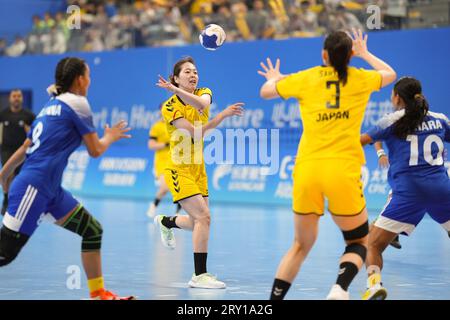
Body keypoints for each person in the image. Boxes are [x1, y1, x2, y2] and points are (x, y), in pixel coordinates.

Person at [258, 29, 396, 300]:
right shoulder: (361, 78)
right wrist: (365, 53)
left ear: (324, 55)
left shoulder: (307, 78)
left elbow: (265, 92)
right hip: (342, 171)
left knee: (300, 245)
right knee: (358, 241)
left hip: (308, 170)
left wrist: (276, 78)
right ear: (350, 55)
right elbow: (390, 73)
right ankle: (339, 288)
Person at [0, 57, 134, 300]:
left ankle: (98, 294)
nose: (90, 81)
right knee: (4, 254)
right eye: (89, 76)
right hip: (34, 187)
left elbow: (25, 146)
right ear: (80, 80)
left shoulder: (50, 105)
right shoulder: (78, 103)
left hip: (51, 191)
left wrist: (4, 173)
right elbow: (95, 150)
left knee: (92, 230)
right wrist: (111, 136)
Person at [154, 56, 244, 289]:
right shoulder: (170, 107)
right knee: (204, 218)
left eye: (195, 71)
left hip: (198, 169)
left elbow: (201, 105)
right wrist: (221, 116)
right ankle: (199, 275)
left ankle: (167, 222)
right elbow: (195, 133)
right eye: (187, 72)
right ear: (175, 78)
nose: (193, 75)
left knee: (198, 223)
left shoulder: (204, 91)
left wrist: (175, 88)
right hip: (178, 168)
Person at [360, 76, 450, 300]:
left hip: (408, 194)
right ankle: (396, 233)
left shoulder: (391, 120)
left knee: (372, 244)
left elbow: (360, 140)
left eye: (392, 94)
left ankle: (374, 286)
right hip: (441, 190)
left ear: (397, 97)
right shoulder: (440, 119)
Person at [0, 90, 36, 216]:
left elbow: (35, 133)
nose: (16, 98)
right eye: (14, 96)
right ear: (10, 99)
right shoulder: (3, 114)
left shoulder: (29, 116)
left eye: (19, 96)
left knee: (20, 177)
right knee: (7, 175)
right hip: (6, 150)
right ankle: (6, 198)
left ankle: (19, 202)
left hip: (22, 150)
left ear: (22, 99)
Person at [146, 110, 182, 218]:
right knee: (165, 187)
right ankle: (154, 204)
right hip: (162, 161)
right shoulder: (157, 127)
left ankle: (177, 213)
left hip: (177, 160)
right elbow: (151, 145)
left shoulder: (178, 125)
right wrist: (166, 144)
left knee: (180, 188)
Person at [369, 141, 402, 249]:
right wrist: (381, 153)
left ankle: (393, 233)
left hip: (427, 181)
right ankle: (358, 245)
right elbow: (374, 137)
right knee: (384, 217)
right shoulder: (394, 125)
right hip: (404, 182)